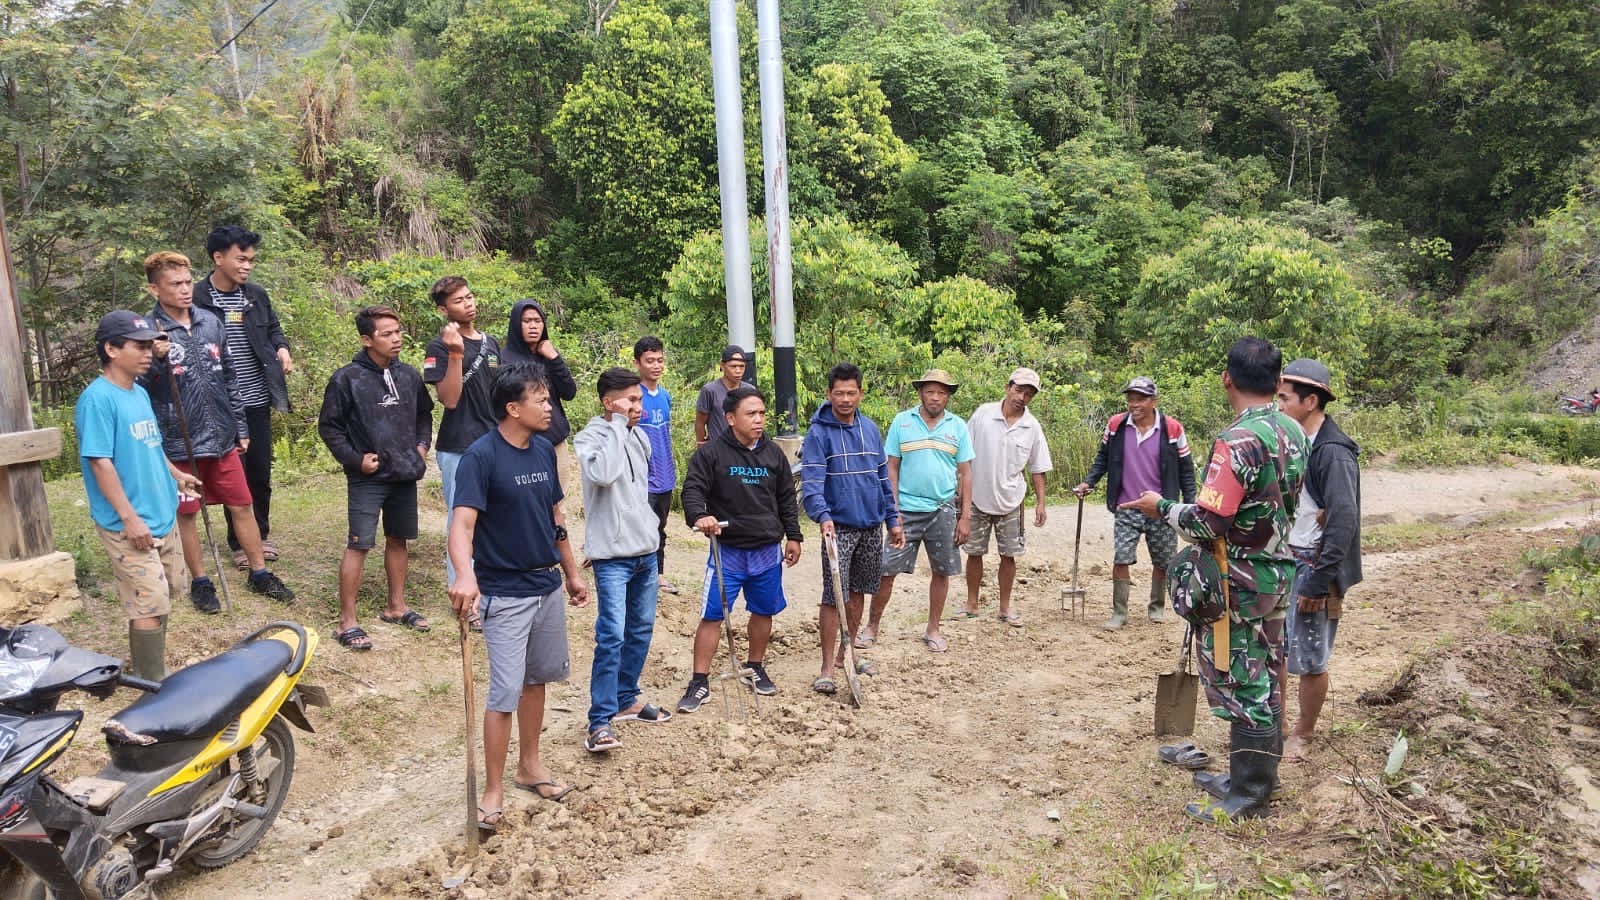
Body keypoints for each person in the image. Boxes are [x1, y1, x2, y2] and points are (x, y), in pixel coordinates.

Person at [1120, 337, 1307, 824]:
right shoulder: (1292, 431)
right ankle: (1255, 777)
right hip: (1276, 573)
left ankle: (1247, 795)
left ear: (1227, 378)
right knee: (1266, 674)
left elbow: (1208, 521)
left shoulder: (1239, 440)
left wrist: (1161, 507)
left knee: (1241, 679)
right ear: (1277, 382)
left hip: (1239, 580)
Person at [448, 363, 588, 832]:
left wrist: (570, 571)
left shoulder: (544, 450)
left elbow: (555, 515)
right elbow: (462, 525)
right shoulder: (480, 457)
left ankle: (530, 766)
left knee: (536, 682)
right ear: (513, 408)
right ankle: (492, 788)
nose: (549, 407)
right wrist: (465, 576)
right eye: (541, 399)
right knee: (504, 693)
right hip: (504, 593)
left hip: (546, 585)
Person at [140, 251, 294, 612]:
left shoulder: (210, 321)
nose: (184, 290)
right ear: (154, 289)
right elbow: (139, 385)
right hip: (179, 442)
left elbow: (230, 377)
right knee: (188, 514)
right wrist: (156, 361)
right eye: (174, 284)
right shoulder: (148, 331)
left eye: (186, 281)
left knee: (242, 503)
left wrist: (240, 425)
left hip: (222, 435)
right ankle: (200, 581)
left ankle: (259, 573)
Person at [76, 311, 203, 680]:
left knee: (164, 592)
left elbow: (151, 445)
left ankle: (150, 664)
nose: (149, 352)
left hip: (161, 511)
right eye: (139, 346)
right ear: (111, 349)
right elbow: (100, 463)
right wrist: (129, 518)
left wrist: (176, 475)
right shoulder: (97, 399)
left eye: (151, 345)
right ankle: (152, 683)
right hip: (128, 521)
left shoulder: (140, 393)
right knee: (148, 600)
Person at [677, 386, 803, 712]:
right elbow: (692, 490)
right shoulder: (711, 454)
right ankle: (699, 680)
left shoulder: (774, 454)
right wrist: (700, 515)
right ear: (730, 418)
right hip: (727, 552)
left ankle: (755, 666)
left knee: (764, 610)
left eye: (761, 413)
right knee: (713, 615)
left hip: (766, 551)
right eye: (751, 414)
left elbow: (787, 498)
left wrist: (794, 536)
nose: (759, 420)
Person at [318, 306, 436, 651]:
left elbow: (424, 415)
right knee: (360, 543)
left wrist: (421, 445)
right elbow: (330, 427)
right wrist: (356, 460)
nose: (396, 338)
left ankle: (396, 607)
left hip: (404, 472)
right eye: (387, 334)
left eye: (398, 332)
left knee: (399, 539)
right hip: (367, 478)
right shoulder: (346, 379)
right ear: (367, 339)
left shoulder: (409, 375)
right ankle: (347, 622)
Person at [574, 367, 672, 753]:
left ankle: (627, 697)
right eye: (630, 400)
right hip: (612, 557)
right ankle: (599, 720)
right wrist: (617, 427)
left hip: (644, 551)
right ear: (608, 402)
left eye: (639, 400)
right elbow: (603, 475)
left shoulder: (640, 438)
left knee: (640, 629)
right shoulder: (590, 438)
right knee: (611, 635)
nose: (638, 407)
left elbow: (639, 493)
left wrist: (649, 533)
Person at [1275, 359, 1361, 762]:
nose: (1278, 405)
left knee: (1310, 654)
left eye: (1284, 398)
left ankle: (1303, 733)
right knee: (1276, 647)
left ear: (1310, 401)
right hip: (1288, 556)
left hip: (1313, 564)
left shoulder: (1333, 452)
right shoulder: (1295, 442)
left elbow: (1343, 520)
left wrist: (1318, 580)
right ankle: (1273, 725)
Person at [799, 362, 904, 694]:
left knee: (858, 592)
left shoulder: (870, 429)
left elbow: (883, 480)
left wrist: (893, 519)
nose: (845, 399)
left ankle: (850, 653)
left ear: (860, 393)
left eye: (851, 393)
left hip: (870, 526)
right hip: (838, 528)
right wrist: (822, 515)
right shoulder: (818, 433)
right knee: (834, 597)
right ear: (829, 394)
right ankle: (828, 667)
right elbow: (812, 483)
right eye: (839, 393)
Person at [193, 225, 292, 566]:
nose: (247, 266)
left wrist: (281, 349)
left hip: (257, 399)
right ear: (218, 258)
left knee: (260, 472)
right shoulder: (196, 299)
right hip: (218, 405)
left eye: (251, 260)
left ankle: (259, 535)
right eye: (241, 259)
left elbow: (274, 329)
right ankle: (239, 543)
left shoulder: (255, 296)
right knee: (232, 472)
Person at [1074, 376, 1196, 630]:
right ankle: (1119, 612)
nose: (1134, 404)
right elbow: (1103, 459)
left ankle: (1156, 606)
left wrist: (1189, 505)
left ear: (1154, 401)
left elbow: (1186, 471)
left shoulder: (1172, 429)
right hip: (1126, 505)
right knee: (1121, 558)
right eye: (1130, 398)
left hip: (1161, 508)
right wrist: (1090, 482)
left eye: (1140, 398)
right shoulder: (1116, 425)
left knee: (1163, 561)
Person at [868, 369, 973, 654]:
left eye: (941, 393)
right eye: (930, 391)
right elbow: (891, 466)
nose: (935, 398)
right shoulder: (902, 422)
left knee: (942, 571)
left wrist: (964, 516)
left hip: (943, 510)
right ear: (920, 393)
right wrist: (894, 510)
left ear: (948, 396)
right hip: (906, 510)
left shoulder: (958, 427)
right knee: (886, 570)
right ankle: (871, 627)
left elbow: (965, 473)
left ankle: (933, 629)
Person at [422, 276, 501, 586]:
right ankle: (464, 591)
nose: (468, 304)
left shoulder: (491, 343)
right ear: (444, 310)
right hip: (459, 447)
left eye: (469, 297)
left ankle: (490, 586)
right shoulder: (438, 347)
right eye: (459, 301)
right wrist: (455, 354)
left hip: (494, 443)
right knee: (461, 521)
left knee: (493, 519)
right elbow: (449, 399)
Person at [960, 368, 1053, 626]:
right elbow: (963, 455)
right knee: (974, 552)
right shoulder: (982, 415)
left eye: (1029, 394)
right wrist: (960, 493)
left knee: (1009, 554)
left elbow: (1038, 467)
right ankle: (971, 602)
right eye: (1019, 390)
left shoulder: (1031, 427)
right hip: (978, 496)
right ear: (1008, 387)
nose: (1023, 397)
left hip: (1011, 500)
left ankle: (1004, 607)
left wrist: (1041, 503)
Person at [502, 299, 580, 512]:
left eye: (538, 320)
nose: (533, 326)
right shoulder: (505, 359)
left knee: (557, 505)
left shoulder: (548, 356)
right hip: (525, 445)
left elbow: (569, 392)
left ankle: (554, 543)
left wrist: (554, 358)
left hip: (556, 443)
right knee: (529, 505)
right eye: (526, 321)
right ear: (516, 324)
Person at [635, 336, 679, 594]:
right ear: (637, 363)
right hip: (642, 478)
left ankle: (659, 573)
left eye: (660, 360)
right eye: (649, 361)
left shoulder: (665, 396)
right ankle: (643, 576)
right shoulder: (633, 397)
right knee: (642, 527)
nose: (656, 365)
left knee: (660, 528)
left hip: (665, 475)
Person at [694, 345, 747, 446]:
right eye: (733, 366)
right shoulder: (710, 390)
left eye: (741, 366)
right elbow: (700, 422)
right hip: (718, 451)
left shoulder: (749, 391)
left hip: (744, 450)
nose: (738, 371)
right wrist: (702, 446)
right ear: (722, 366)